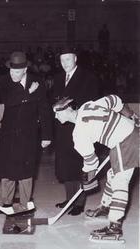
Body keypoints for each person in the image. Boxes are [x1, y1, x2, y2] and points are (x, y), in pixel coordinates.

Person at [53, 95, 139, 240]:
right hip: (133, 133)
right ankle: (105, 207)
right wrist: (132, 115)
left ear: (68, 109)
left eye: (57, 112)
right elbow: (114, 100)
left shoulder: (79, 133)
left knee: (120, 181)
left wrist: (87, 178)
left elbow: (91, 162)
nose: (55, 116)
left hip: (124, 142)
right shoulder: (88, 105)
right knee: (113, 174)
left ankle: (114, 226)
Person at [0, 51, 52, 213]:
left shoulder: (38, 82)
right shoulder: (4, 81)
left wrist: (47, 135)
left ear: (25, 70)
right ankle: (6, 203)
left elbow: (45, 109)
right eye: (12, 71)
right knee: (7, 169)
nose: (13, 74)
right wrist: (29, 93)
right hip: (8, 133)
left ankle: (26, 203)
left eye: (17, 72)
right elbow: (10, 101)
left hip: (29, 133)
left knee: (26, 170)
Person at [51, 47, 99, 215]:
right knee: (65, 165)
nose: (65, 64)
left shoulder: (87, 77)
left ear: (75, 59)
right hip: (62, 127)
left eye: (68, 60)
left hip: (79, 126)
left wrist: (71, 108)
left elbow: (92, 101)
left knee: (78, 164)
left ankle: (79, 201)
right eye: (62, 60)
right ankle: (70, 198)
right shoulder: (58, 78)